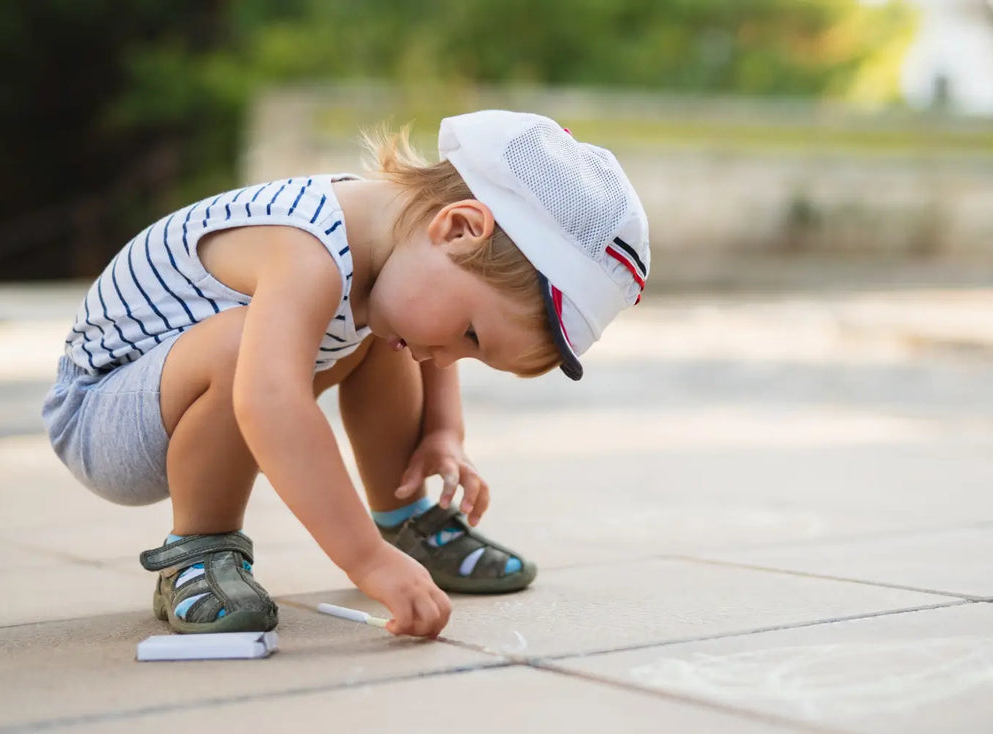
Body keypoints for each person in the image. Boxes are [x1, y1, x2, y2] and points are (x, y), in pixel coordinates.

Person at [42, 110, 650, 638]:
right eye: (472, 336)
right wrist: (364, 562)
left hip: (192, 395)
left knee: (394, 335)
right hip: (105, 416)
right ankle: (199, 552)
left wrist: (444, 433)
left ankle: (402, 519)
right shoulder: (306, 247)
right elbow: (270, 401)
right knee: (244, 344)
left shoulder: (398, 246)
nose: (447, 359)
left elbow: (429, 332)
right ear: (458, 227)